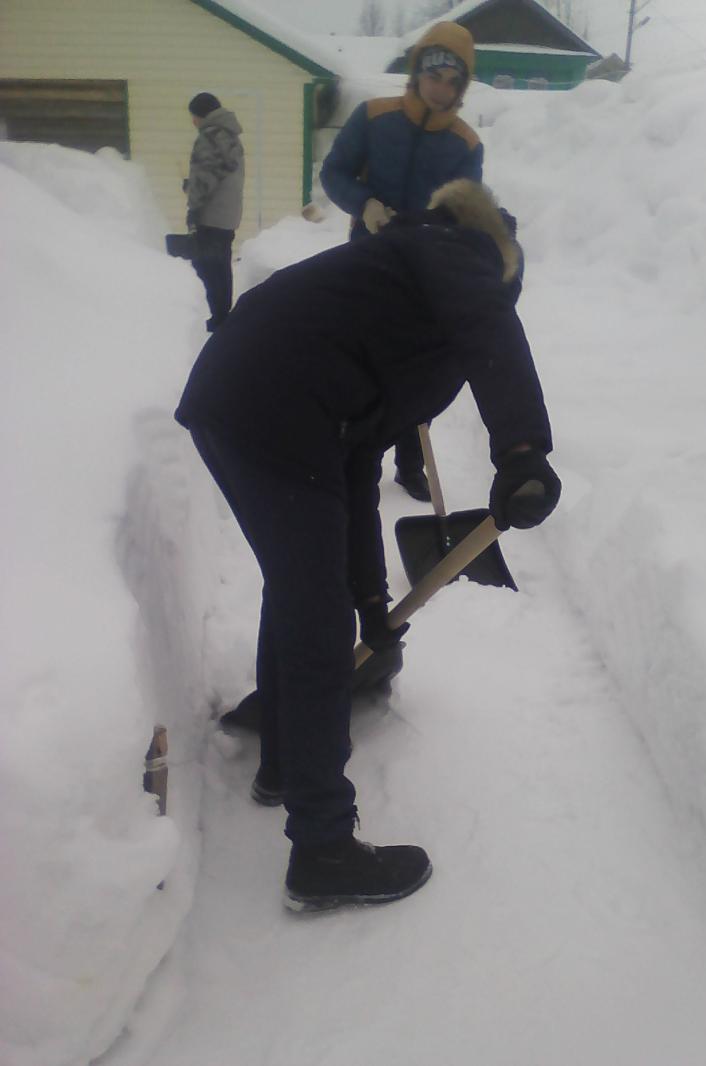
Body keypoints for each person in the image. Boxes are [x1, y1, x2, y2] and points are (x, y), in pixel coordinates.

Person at [174, 180, 561, 912]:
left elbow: (356, 464)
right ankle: (322, 847)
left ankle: (284, 758)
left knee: (303, 589)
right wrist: (522, 451)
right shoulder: (460, 251)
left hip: (245, 401)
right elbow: (491, 328)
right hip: (273, 408)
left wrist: (371, 603)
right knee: (314, 615)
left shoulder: (394, 281)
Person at [320, 22, 483, 503]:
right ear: (417, 71)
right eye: (434, 75)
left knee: (414, 367)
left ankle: (411, 463)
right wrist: (365, 204)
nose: (441, 89)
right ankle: (355, 454)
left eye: (453, 82)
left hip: (423, 270)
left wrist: (442, 236)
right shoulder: (374, 117)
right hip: (367, 258)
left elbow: (465, 208)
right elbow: (334, 172)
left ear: (462, 87)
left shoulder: (465, 145)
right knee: (360, 358)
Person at [184, 92, 244, 331]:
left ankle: (217, 320)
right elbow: (219, 173)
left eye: (193, 116)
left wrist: (193, 205)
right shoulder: (230, 135)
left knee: (206, 268)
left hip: (211, 216)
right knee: (221, 268)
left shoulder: (210, 137)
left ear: (202, 115)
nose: (193, 121)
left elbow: (205, 178)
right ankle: (223, 317)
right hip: (227, 215)